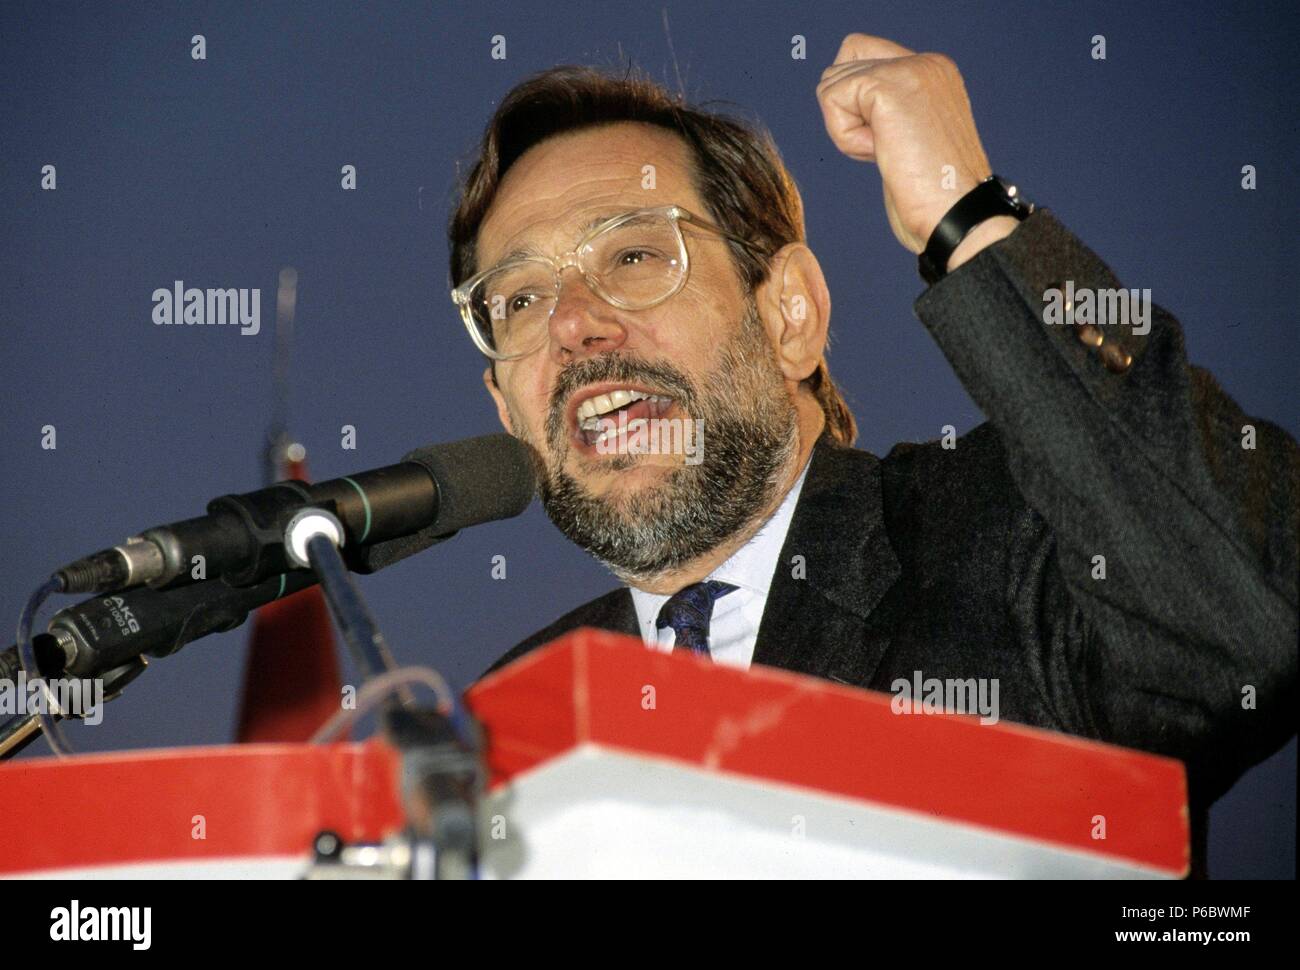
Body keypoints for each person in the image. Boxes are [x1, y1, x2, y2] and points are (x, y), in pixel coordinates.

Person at [446, 34, 1297, 876]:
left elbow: (1247, 616)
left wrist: (967, 214)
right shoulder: (501, 727)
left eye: (632, 254)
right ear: (506, 407)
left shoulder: (1016, 531)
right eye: (519, 297)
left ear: (790, 316)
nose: (570, 323)